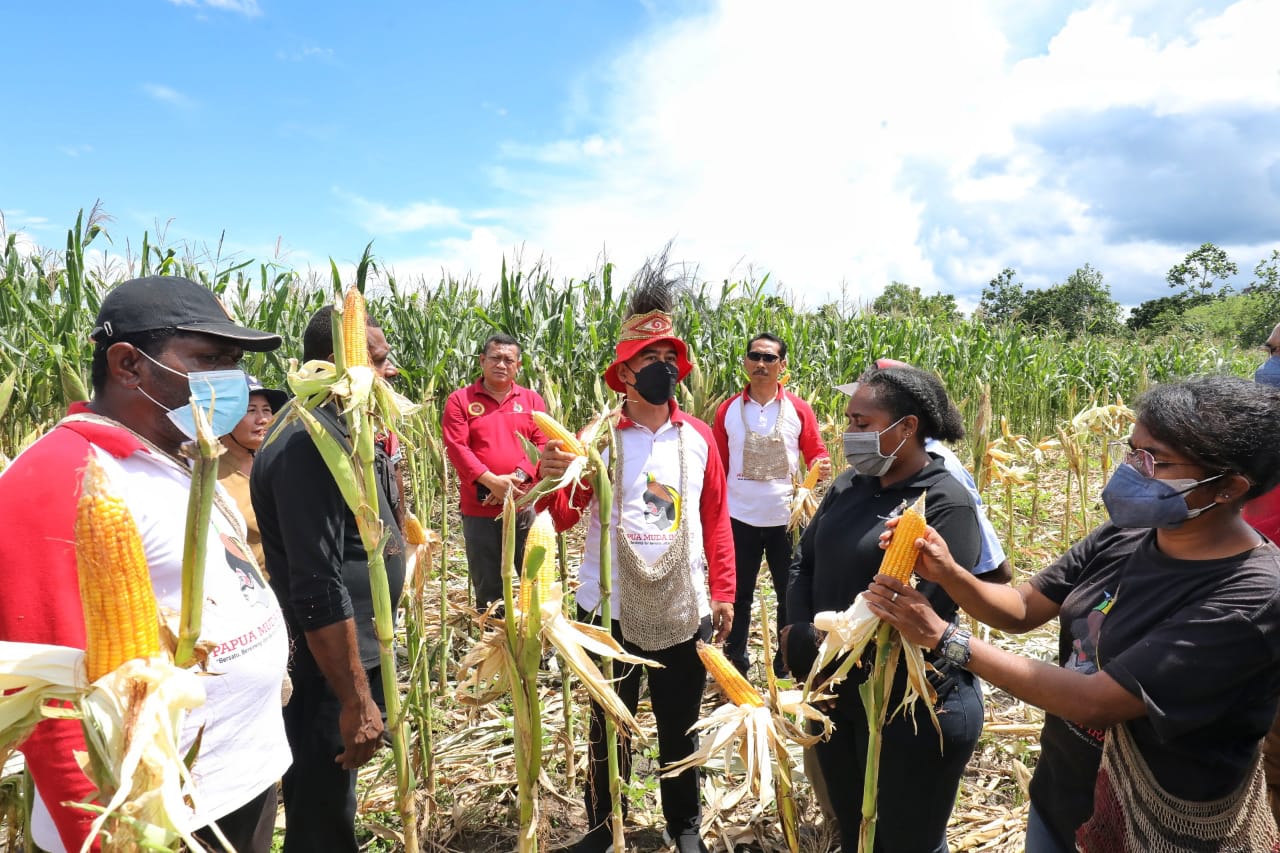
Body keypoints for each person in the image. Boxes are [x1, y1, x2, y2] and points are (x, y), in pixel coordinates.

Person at [869, 376, 1280, 852]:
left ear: (1228, 487)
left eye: (1154, 460)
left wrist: (945, 638)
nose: (1132, 470)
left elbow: (1096, 702)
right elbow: (1022, 609)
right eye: (1132, 452)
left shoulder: (1252, 595)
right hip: (1064, 795)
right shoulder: (1127, 534)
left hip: (1159, 822)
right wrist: (948, 570)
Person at [0, 275, 290, 853]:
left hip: (237, 780)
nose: (231, 380)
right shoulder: (62, 474)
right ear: (128, 364)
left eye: (235, 363)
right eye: (210, 359)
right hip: (151, 815)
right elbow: (52, 696)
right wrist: (104, 838)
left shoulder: (176, 453)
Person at [540, 251, 735, 853]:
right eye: (649, 360)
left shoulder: (699, 437)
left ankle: (684, 825)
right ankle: (604, 828)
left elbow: (715, 517)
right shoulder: (596, 438)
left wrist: (724, 591)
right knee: (609, 725)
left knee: (680, 723)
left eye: (669, 359)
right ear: (624, 373)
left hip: (683, 603)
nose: (662, 369)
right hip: (609, 607)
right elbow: (564, 516)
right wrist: (552, 477)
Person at [784, 362, 992, 853]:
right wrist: (800, 638)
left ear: (906, 428)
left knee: (904, 841)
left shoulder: (945, 501)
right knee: (854, 830)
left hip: (908, 704)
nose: (848, 433)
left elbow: (920, 610)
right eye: (848, 421)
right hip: (835, 692)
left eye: (861, 423)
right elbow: (803, 563)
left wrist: (826, 646)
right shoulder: (848, 486)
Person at [251, 305, 407, 853]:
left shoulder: (343, 430)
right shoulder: (306, 444)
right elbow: (316, 585)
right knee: (321, 809)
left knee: (335, 798)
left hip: (355, 653)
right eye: (378, 361)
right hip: (326, 669)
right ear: (338, 364)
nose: (390, 372)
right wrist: (355, 699)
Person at [712, 333, 830, 677]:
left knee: (789, 594)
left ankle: (786, 664)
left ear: (783, 365)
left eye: (769, 358)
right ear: (746, 362)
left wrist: (820, 467)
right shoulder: (728, 410)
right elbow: (718, 465)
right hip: (739, 518)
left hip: (787, 519)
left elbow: (816, 453)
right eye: (755, 357)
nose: (761, 364)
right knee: (739, 596)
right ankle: (735, 663)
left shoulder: (798, 409)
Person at [442, 333, 548, 610]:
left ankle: (533, 634)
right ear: (482, 360)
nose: (501, 364)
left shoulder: (532, 401)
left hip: (524, 502)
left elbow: (542, 443)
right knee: (488, 587)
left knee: (534, 582)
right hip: (480, 508)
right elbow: (457, 447)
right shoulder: (460, 400)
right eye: (495, 358)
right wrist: (491, 482)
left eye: (508, 360)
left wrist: (517, 480)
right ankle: (491, 633)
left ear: (518, 366)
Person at [217, 375, 287, 572]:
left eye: (267, 410)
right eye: (250, 410)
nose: (262, 419)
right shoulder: (210, 473)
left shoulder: (277, 461)